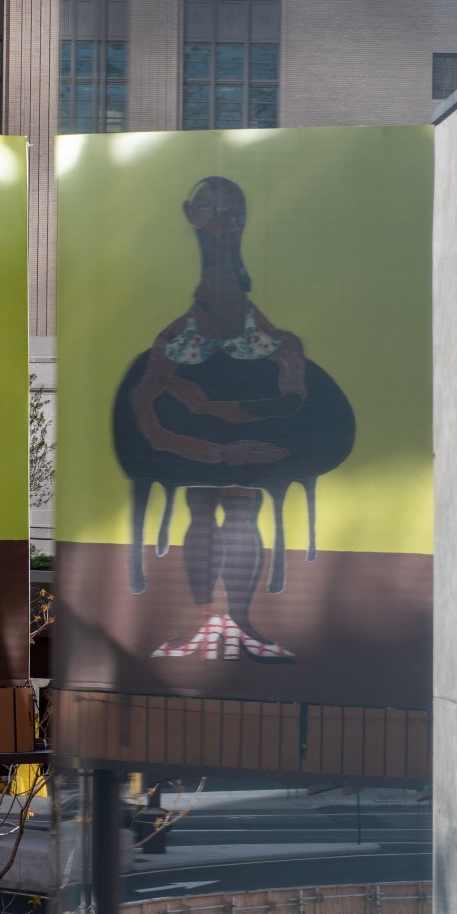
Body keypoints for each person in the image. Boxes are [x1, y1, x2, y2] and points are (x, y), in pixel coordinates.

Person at [127, 177, 307, 662]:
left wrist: (226, 413)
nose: (221, 221)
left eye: (231, 211)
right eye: (209, 209)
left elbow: (293, 402)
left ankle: (241, 622)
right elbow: (148, 424)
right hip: (205, 452)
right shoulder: (171, 345)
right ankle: (206, 619)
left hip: (248, 449)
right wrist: (219, 447)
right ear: (190, 214)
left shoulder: (278, 345)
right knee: (204, 507)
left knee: (240, 507)